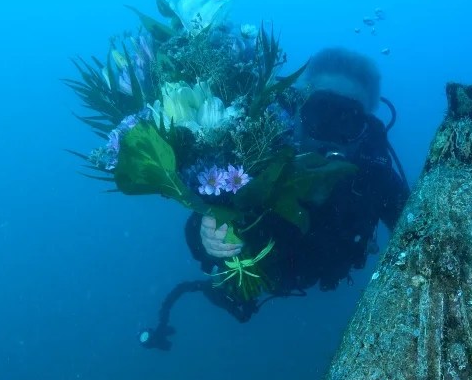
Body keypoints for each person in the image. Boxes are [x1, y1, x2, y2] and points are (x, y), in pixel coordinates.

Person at [140, 48, 409, 349]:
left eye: (347, 119)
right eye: (320, 112)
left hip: (326, 271)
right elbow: (204, 214)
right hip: (264, 276)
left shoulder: (374, 173)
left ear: (365, 128)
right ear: (298, 107)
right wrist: (206, 236)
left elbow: (416, 227)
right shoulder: (257, 152)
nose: (328, 133)